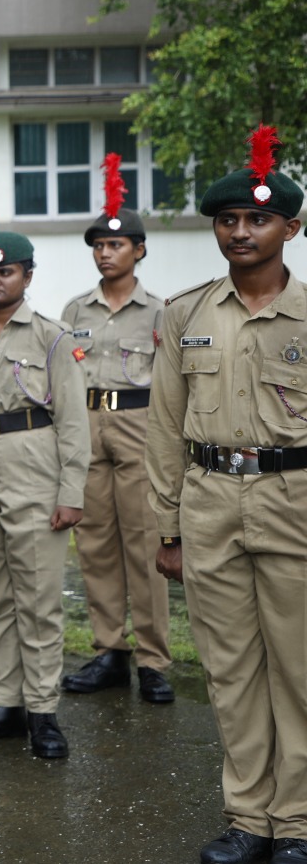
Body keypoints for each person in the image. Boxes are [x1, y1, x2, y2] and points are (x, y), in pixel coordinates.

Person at [146, 125, 307, 864]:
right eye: (228, 219)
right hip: (210, 500)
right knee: (230, 668)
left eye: (258, 219)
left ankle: (297, 822)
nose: (240, 231)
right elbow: (164, 426)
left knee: (297, 669)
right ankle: (249, 818)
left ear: (291, 229)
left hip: (292, 500)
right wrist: (167, 527)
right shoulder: (185, 313)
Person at [0, 208, 87, 760]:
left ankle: (43, 710)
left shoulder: (53, 338)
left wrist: (71, 492)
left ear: (28, 275)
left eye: (5, 272)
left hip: (33, 465)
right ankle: (5, 703)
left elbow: (73, 419)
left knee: (39, 598)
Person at [59, 157, 174, 704]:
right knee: (96, 545)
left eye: (116, 245)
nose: (105, 253)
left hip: (138, 426)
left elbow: (172, 384)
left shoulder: (160, 312)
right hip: (86, 427)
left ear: (139, 250)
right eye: (99, 246)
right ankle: (110, 650)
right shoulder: (74, 310)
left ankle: (153, 659)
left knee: (145, 545)